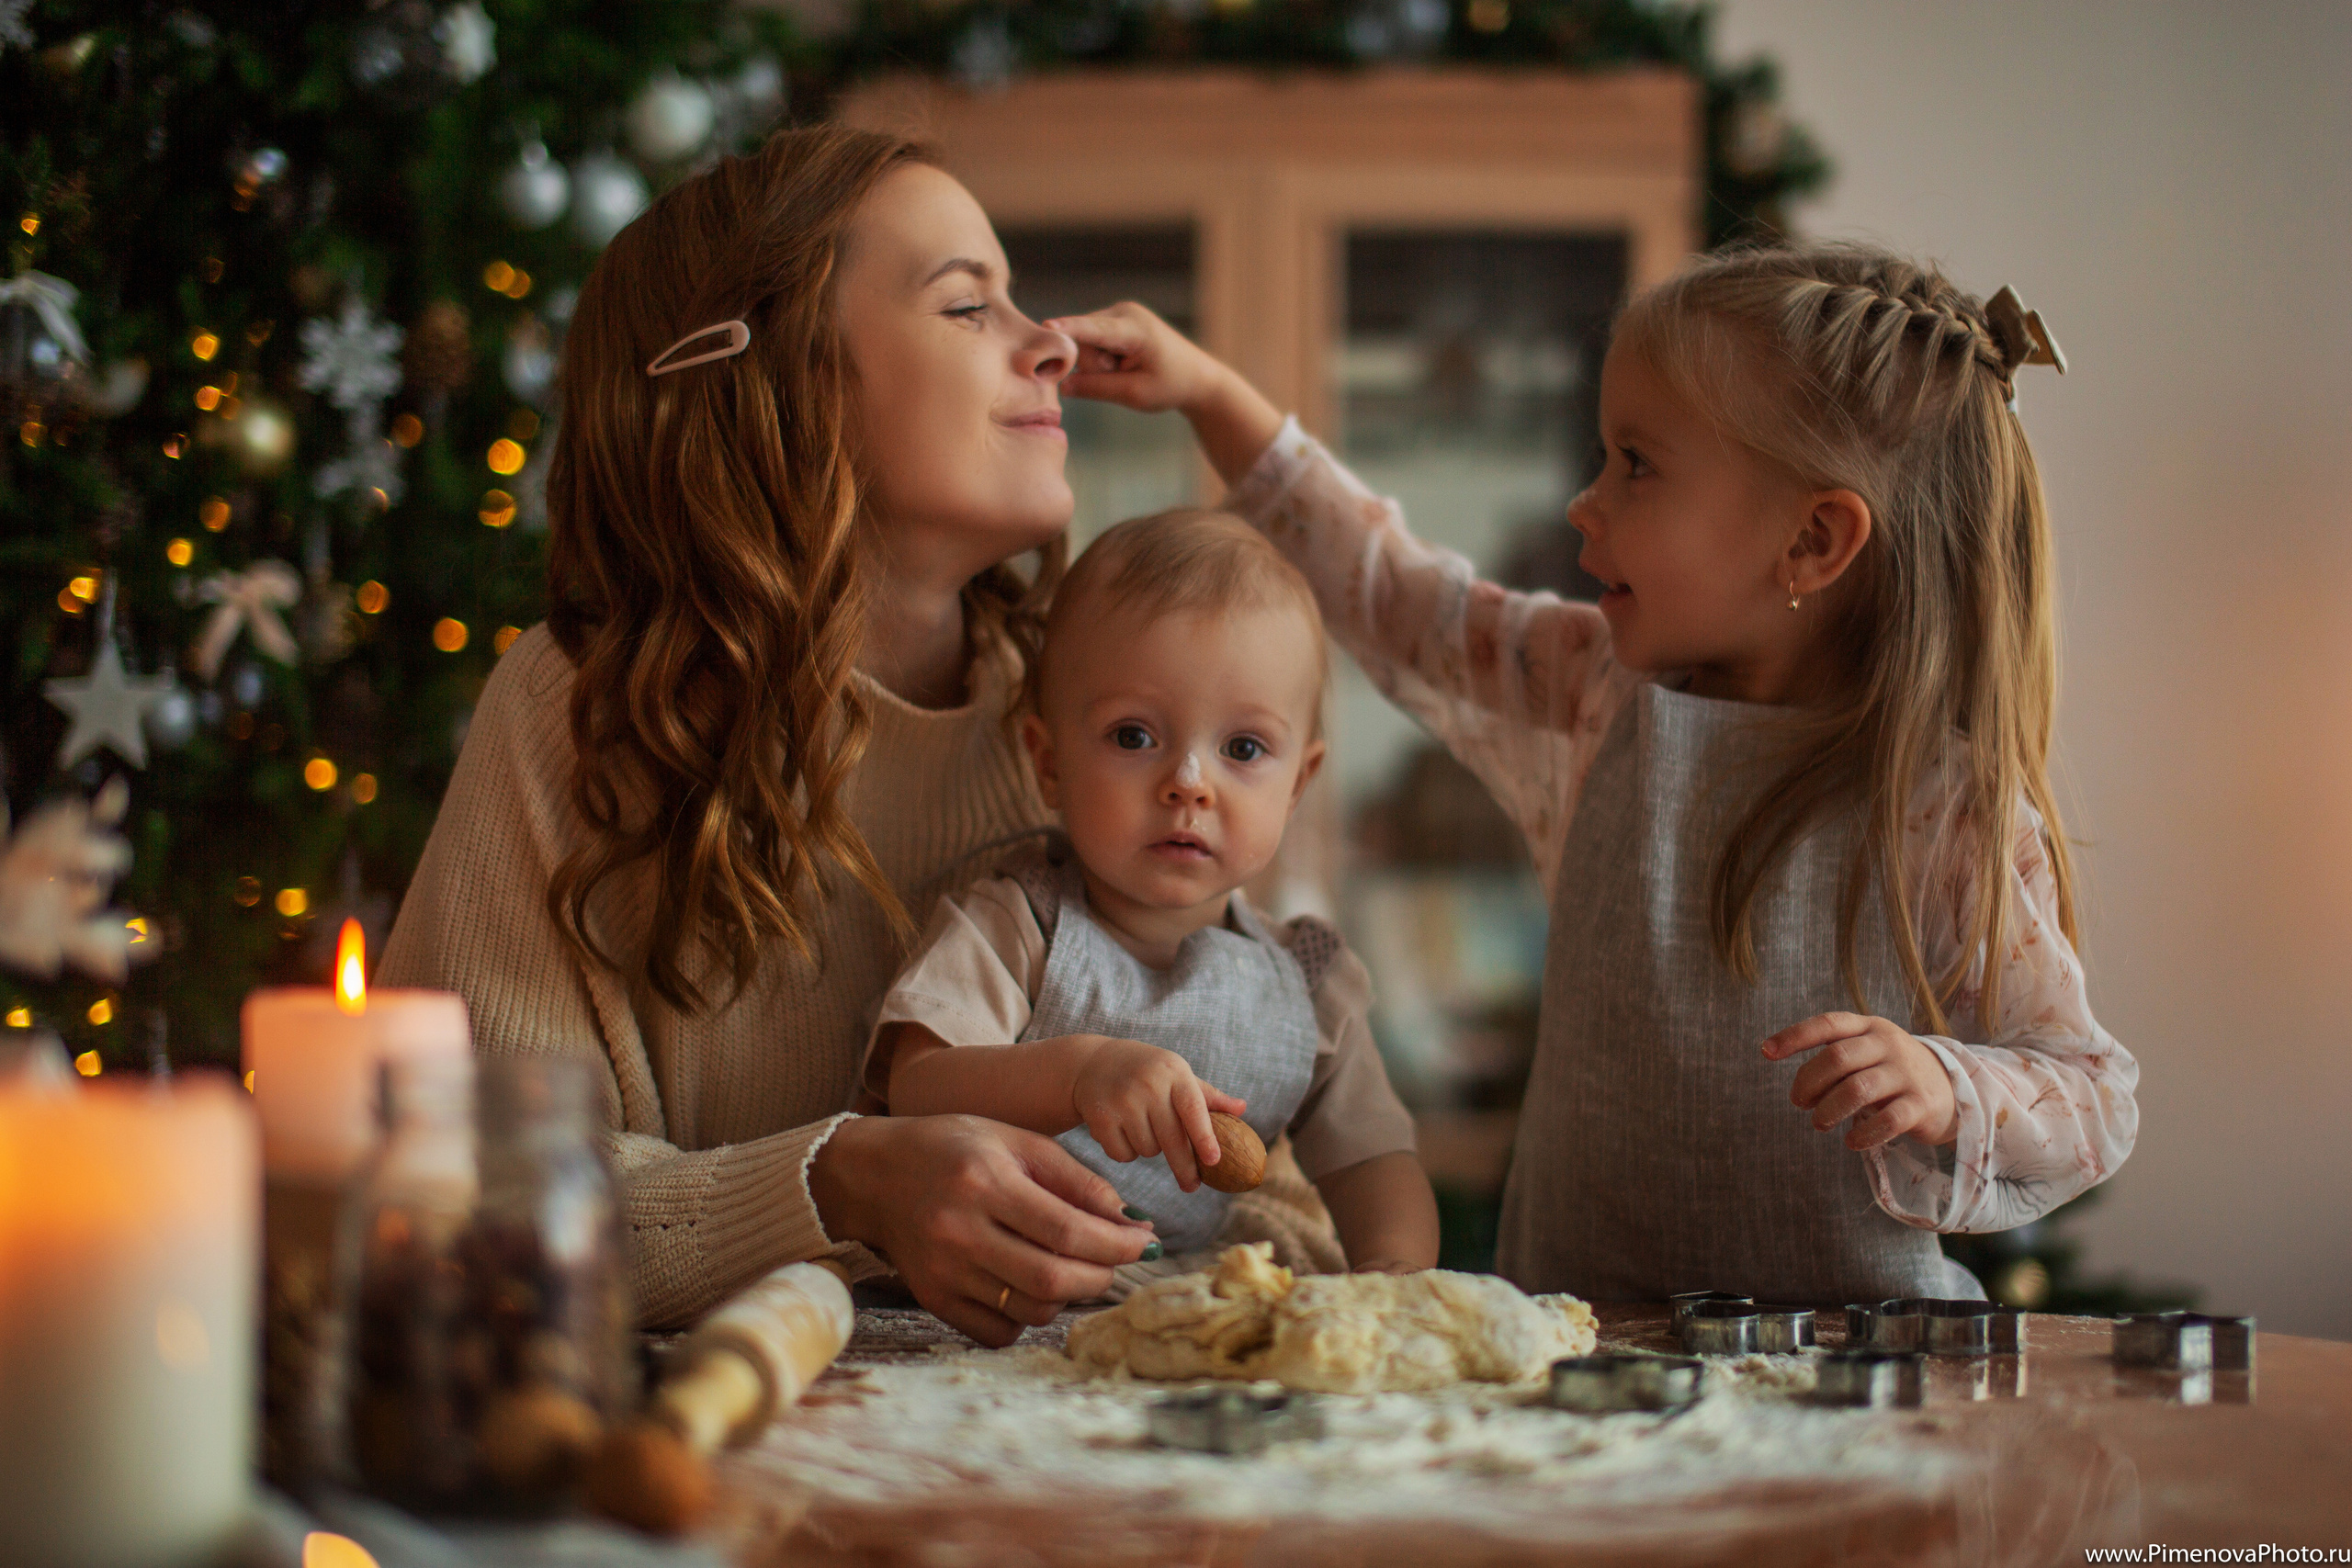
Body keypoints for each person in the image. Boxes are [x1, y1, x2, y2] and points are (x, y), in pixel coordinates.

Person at [381, 126, 1338, 1343]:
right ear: (781, 381)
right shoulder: (583, 713)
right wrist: (836, 1183)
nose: (1049, 339)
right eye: (966, 306)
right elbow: (462, 1195)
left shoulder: (1097, 726)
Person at [1046, 242, 2139, 1304]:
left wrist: (1949, 1084)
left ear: (1811, 542)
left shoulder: (1945, 811)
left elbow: (2092, 1098)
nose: (1585, 501)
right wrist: (1209, 396)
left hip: (1857, 1389)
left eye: (1636, 463)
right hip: (1582, 1359)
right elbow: (1394, 593)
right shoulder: (1590, 695)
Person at [861, 509, 1440, 1289]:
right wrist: (1076, 1074)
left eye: (1242, 749)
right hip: (1008, 1299)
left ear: (1299, 782)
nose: (1188, 783)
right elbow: (917, 1085)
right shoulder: (1017, 922)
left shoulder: (1308, 981)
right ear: (1049, 762)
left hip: (1190, 1309)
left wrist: (1395, 1269)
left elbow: (1374, 1157)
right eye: (1134, 736)